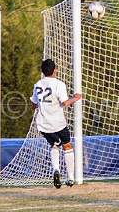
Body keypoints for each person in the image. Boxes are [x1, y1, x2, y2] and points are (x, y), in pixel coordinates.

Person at [30, 59, 81, 188]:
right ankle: (70, 178)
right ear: (54, 70)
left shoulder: (37, 84)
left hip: (43, 124)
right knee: (67, 146)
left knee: (54, 145)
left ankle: (56, 170)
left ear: (43, 71)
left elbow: (34, 104)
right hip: (58, 123)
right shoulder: (59, 84)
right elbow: (64, 103)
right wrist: (75, 98)